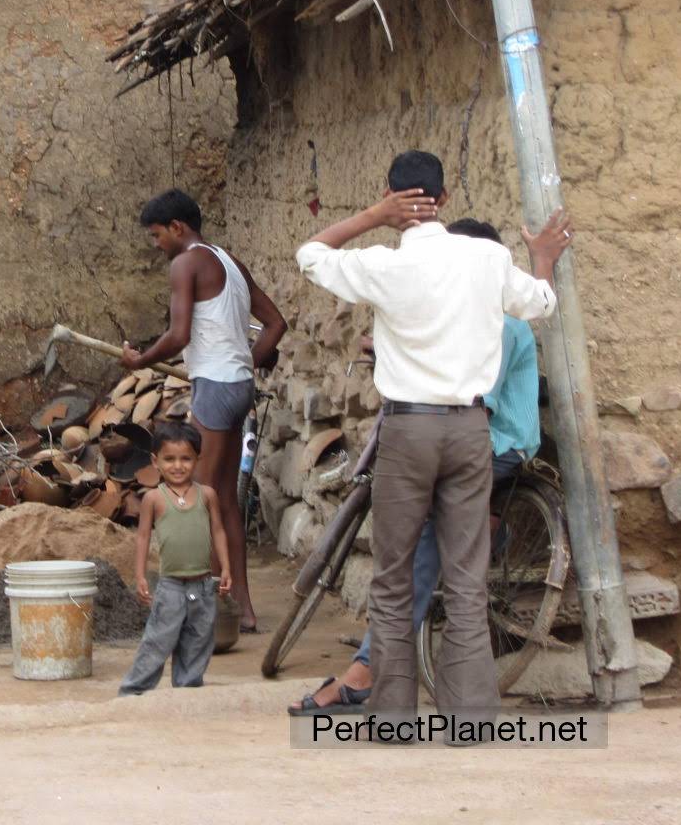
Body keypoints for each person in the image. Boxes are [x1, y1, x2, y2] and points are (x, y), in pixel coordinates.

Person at [295, 151, 570, 738]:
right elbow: (541, 304)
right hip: (472, 432)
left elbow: (311, 254)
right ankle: (470, 718)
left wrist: (374, 215)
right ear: (444, 199)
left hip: (408, 430)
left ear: (397, 202)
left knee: (394, 576)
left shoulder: (384, 265)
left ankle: (394, 716)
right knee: (466, 579)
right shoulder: (489, 256)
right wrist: (542, 258)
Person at [122, 189, 286, 632]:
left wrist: (139, 360)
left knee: (198, 502)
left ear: (177, 227)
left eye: (157, 236)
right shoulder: (227, 259)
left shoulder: (186, 262)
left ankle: (208, 610)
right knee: (225, 501)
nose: (156, 245)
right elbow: (276, 324)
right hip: (238, 387)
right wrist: (245, 362)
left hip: (215, 388)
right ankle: (243, 611)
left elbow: (177, 336)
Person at [119, 422, 232, 695]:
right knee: (159, 639)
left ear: (197, 459)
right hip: (170, 587)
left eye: (186, 459)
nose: (178, 466)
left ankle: (188, 690)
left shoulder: (207, 495)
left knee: (198, 640)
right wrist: (141, 575)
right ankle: (134, 691)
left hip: (203, 586)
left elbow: (218, 530)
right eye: (169, 459)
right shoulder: (154, 499)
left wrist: (226, 568)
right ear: (155, 461)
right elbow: (143, 537)